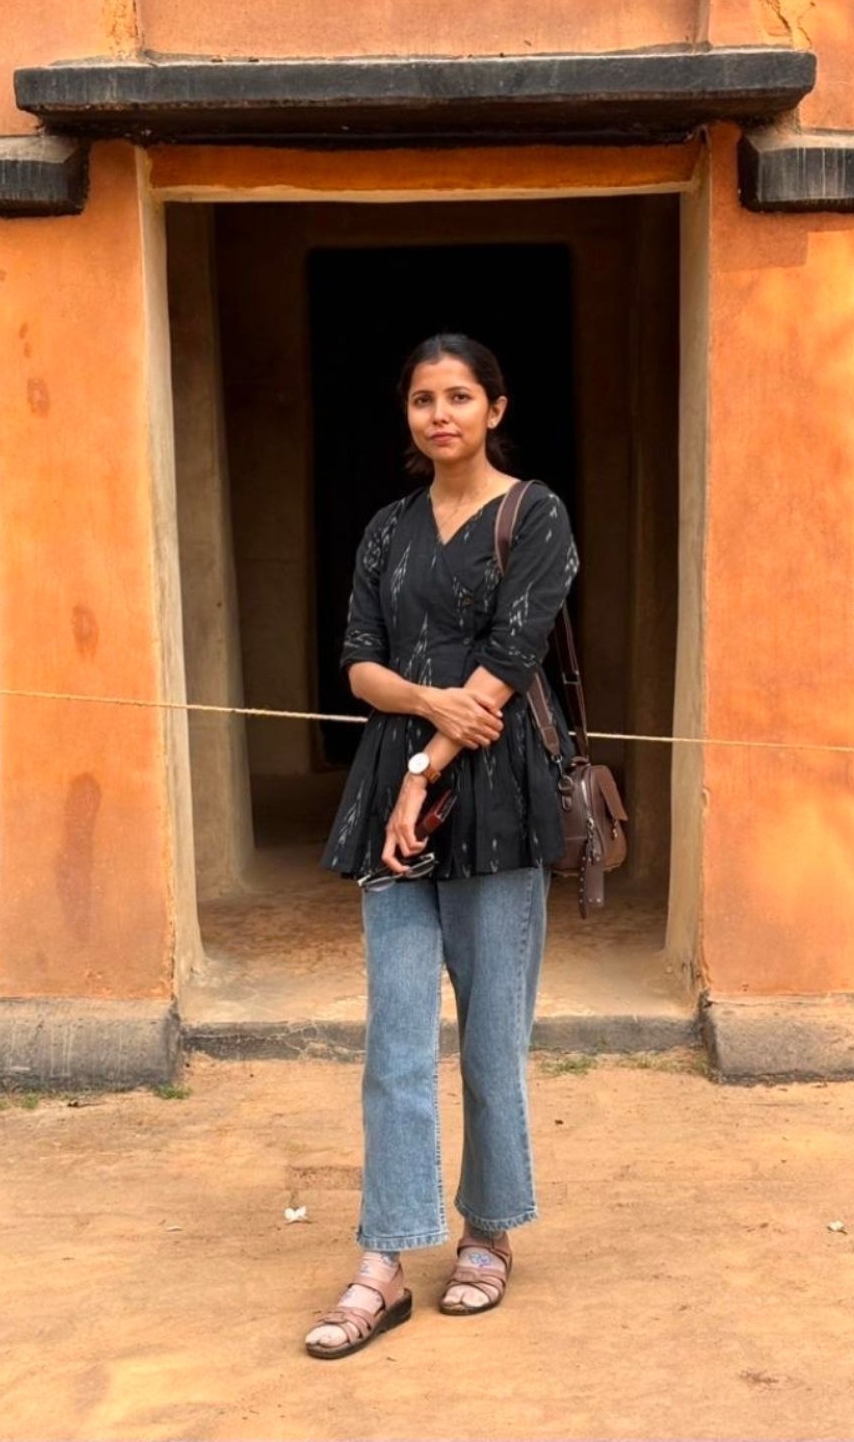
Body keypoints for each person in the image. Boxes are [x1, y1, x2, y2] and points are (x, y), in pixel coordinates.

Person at [305, 332, 579, 1359]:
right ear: (409, 414)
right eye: (424, 399)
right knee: (395, 1041)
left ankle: (488, 1232)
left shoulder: (534, 513)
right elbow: (357, 664)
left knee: (494, 1038)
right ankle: (383, 1259)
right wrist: (425, 714)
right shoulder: (388, 527)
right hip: (392, 792)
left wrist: (429, 764)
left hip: (495, 795)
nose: (441, 415)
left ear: (495, 408)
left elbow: (514, 653)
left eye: (460, 396)